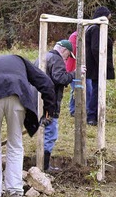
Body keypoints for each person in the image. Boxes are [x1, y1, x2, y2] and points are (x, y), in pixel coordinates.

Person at [0, 55, 56, 197]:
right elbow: (46, 83)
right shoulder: (21, 61)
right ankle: (15, 193)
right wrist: (49, 110)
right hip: (17, 95)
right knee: (15, 144)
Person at [36, 40, 84, 171]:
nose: (67, 58)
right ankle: (44, 166)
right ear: (64, 50)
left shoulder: (44, 56)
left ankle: (41, 163)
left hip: (38, 100)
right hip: (50, 102)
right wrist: (75, 73)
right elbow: (59, 78)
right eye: (68, 55)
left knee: (44, 131)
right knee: (50, 133)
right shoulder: (57, 59)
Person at [85, 6, 115, 125]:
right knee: (97, 91)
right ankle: (92, 116)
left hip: (97, 66)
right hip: (97, 66)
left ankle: (97, 115)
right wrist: (103, 65)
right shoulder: (96, 29)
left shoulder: (93, 28)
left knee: (98, 90)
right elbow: (96, 48)